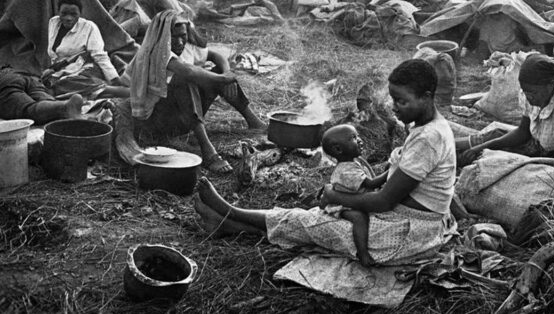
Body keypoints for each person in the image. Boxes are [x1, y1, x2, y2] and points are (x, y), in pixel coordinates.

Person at [193, 59, 458, 266]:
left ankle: (230, 212)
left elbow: (383, 201)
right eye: (393, 98)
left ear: (426, 96)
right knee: (316, 220)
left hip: (406, 234)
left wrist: (334, 195)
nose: (394, 107)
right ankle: (229, 225)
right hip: (408, 220)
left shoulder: (428, 138)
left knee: (313, 222)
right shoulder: (427, 129)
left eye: (401, 100)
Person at [121, 10, 267, 173]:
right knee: (186, 79)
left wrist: (225, 73)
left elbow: (216, 55)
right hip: (154, 122)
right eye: (174, 37)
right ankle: (208, 153)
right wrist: (225, 79)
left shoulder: (184, 48)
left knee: (216, 71)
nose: (180, 41)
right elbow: (188, 71)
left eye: (183, 35)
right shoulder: (156, 51)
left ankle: (253, 121)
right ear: (162, 37)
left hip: (181, 116)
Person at [460, 54, 554, 165]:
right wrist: (483, 147)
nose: (529, 97)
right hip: (537, 150)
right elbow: (522, 132)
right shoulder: (529, 96)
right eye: (526, 92)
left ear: (550, 84)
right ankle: (454, 148)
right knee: (495, 138)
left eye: (533, 93)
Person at [321, 124, 386, 266]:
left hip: (353, 199)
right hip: (343, 205)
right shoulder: (346, 170)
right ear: (338, 149)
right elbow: (371, 183)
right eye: (353, 138)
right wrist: (392, 170)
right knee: (359, 218)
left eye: (358, 136)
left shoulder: (354, 162)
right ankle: (363, 253)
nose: (360, 140)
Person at [42, 0, 128, 99]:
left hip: (86, 68)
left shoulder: (89, 27)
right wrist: (53, 69)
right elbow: (54, 56)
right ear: (58, 11)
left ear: (80, 14)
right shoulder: (53, 22)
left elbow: (100, 56)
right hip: (61, 70)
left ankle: (120, 92)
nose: (68, 18)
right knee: (48, 84)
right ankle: (95, 94)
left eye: (73, 14)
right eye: (64, 13)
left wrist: (114, 79)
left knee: (65, 82)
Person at [0, 66, 84, 125]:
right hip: (29, 77)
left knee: (26, 109)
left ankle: (64, 107)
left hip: (5, 80)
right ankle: (63, 107)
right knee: (44, 99)